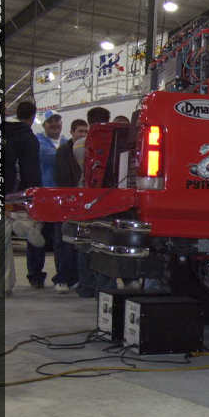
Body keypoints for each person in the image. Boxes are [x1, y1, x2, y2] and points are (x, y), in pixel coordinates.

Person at [0, 102, 43, 297]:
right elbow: (30, 169)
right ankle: (24, 225)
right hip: (13, 192)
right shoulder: (26, 136)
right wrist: (32, 194)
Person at [73, 107, 116, 298]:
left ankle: (86, 286)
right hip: (109, 197)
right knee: (105, 243)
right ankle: (106, 287)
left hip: (86, 196)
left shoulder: (80, 144)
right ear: (108, 118)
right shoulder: (116, 139)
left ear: (89, 121)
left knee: (85, 242)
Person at [27, 110, 68, 288]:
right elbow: (52, 157)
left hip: (61, 199)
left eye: (57, 121)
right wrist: (68, 153)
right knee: (37, 239)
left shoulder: (65, 142)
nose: (55, 124)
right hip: (42, 197)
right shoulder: (38, 142)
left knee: (60, 240)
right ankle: (35, 276)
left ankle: (62, 277)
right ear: (44, 125)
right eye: (51, 122)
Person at [51, 119, 88, 293]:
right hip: (67, 201)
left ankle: (74, 278)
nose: (83, 135)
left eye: (85, 131)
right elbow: (62, 177)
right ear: (72, 132)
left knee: (77, 243)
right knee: (64, 243)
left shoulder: (86, 149)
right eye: (80, 131)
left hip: (83, 202)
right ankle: (62, 278)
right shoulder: (63, 151)